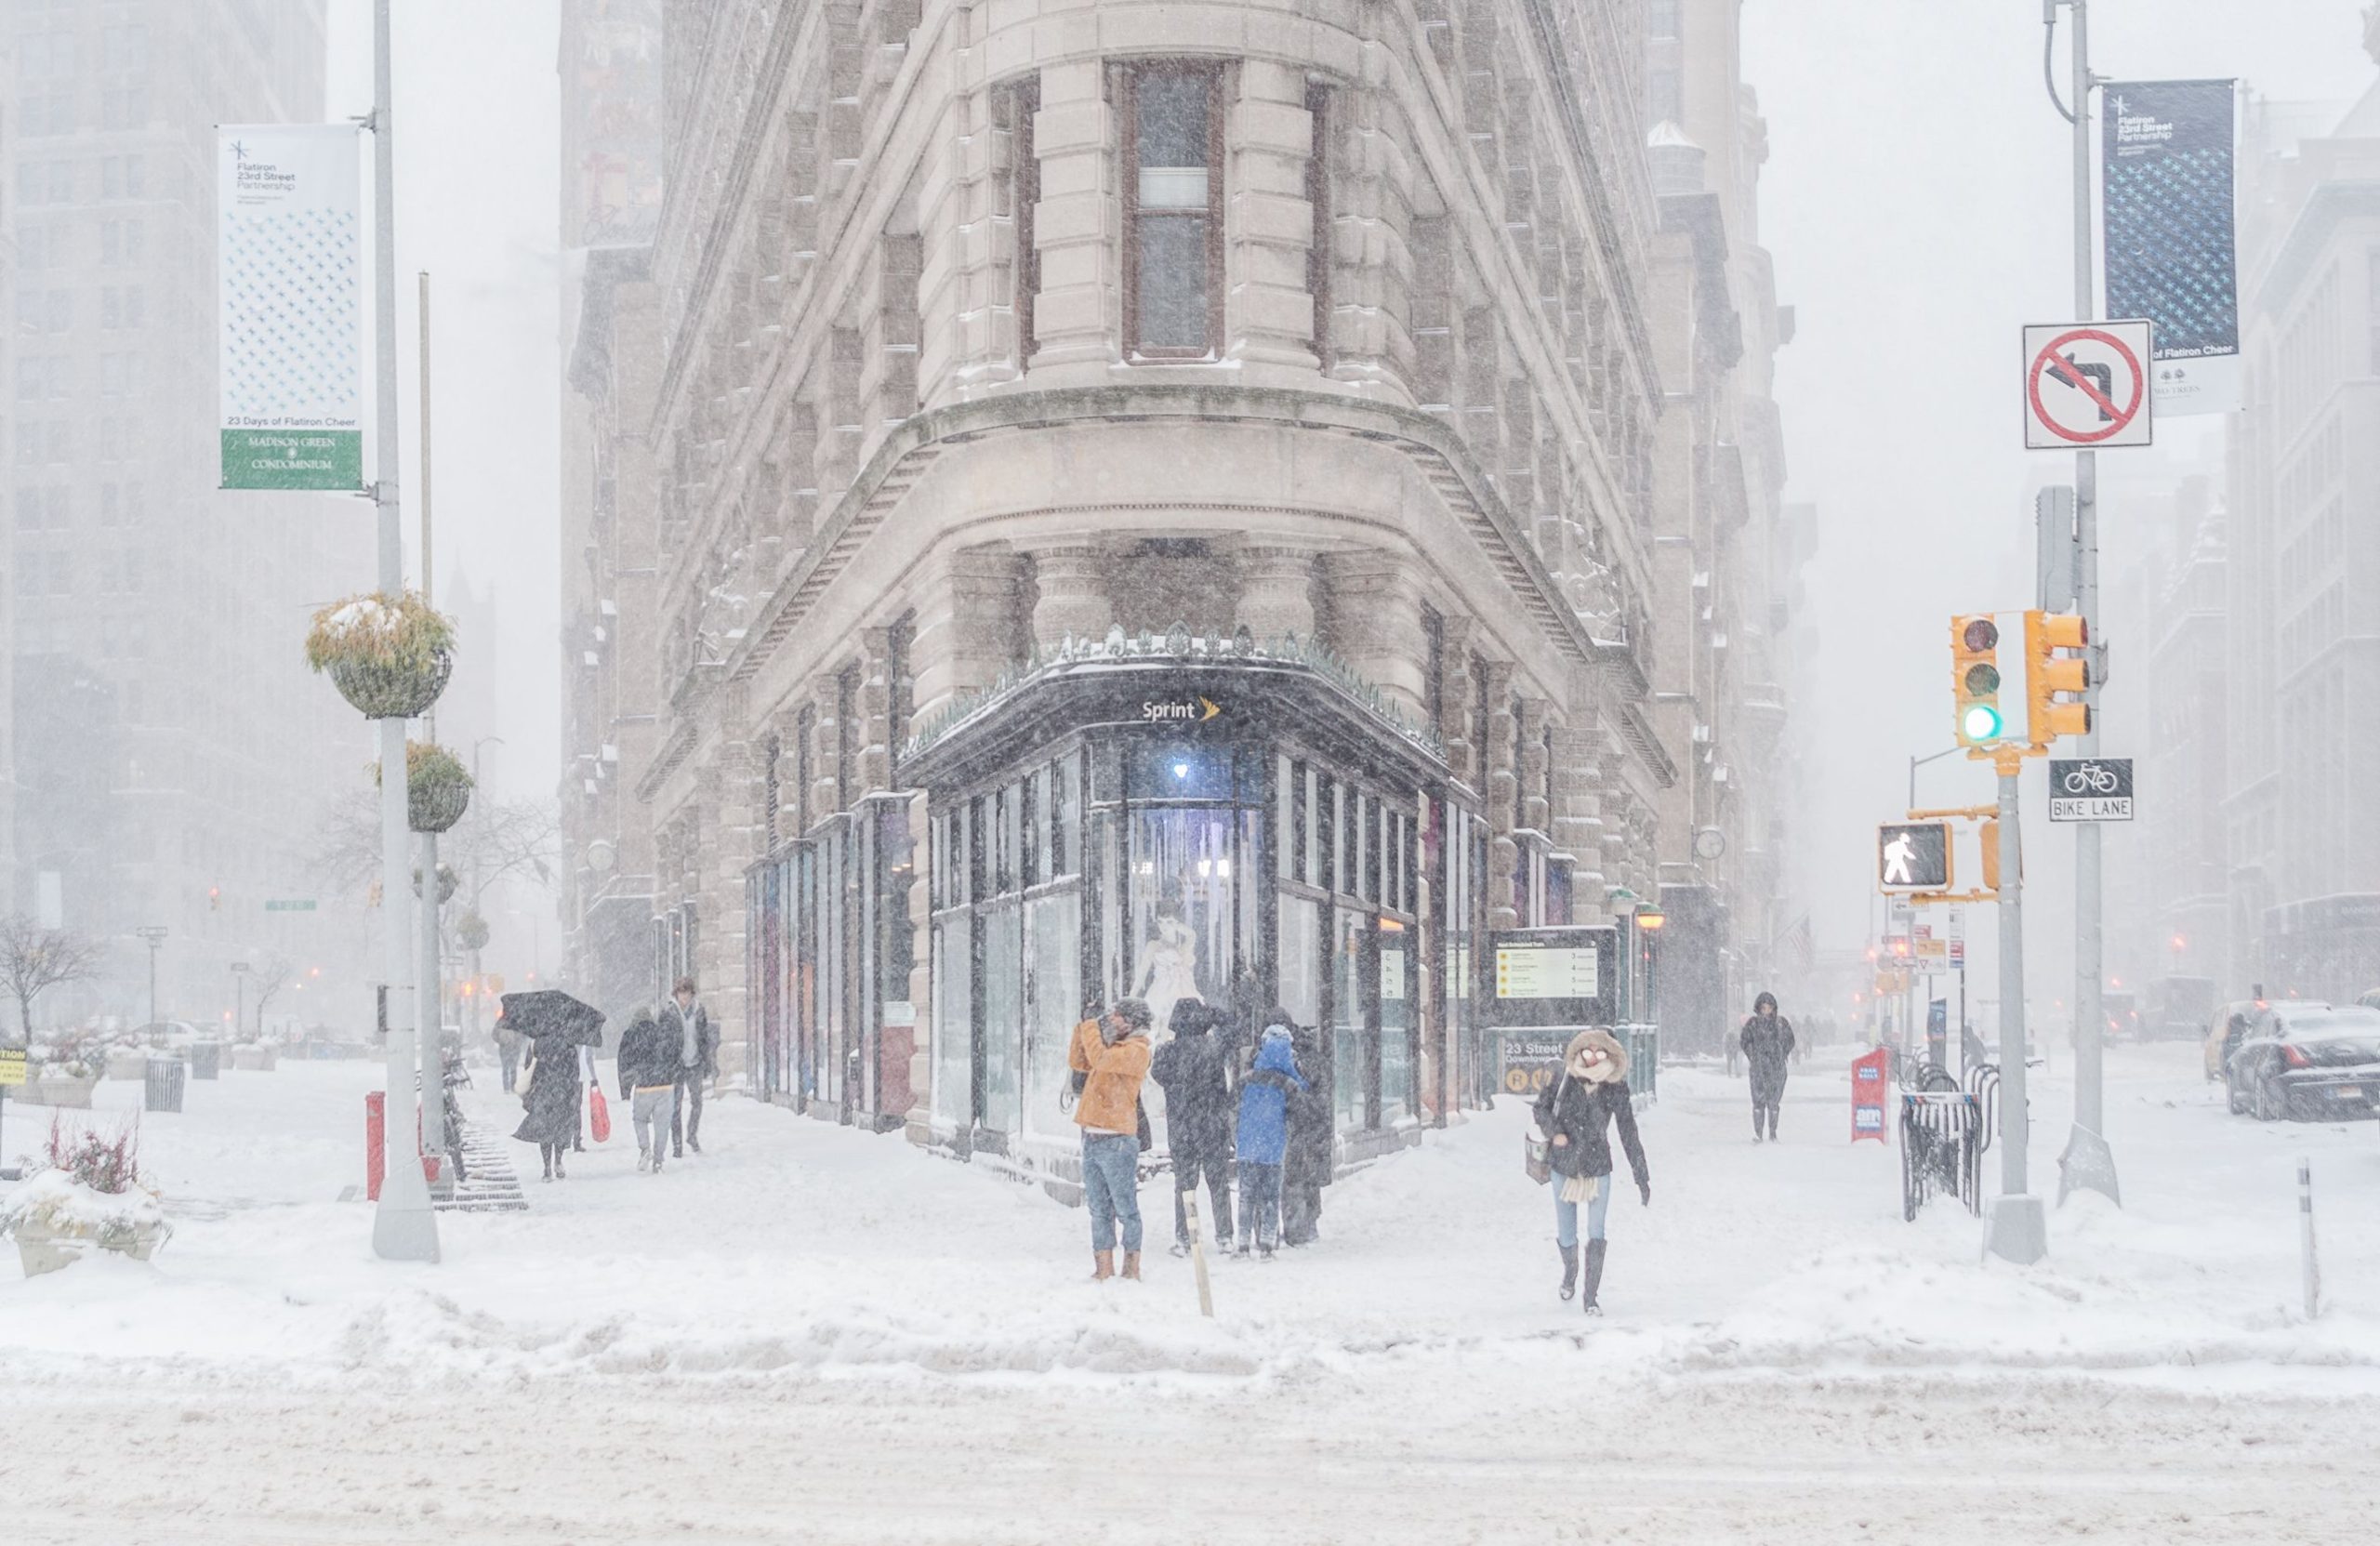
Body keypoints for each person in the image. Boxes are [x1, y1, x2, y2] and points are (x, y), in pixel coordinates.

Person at [1532, 1028, 1649, 1315]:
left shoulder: (1615, 1086)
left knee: (1596, 1231)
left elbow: (1627, 1131)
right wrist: (1555, 1132)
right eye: (1588, 1051)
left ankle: (1591, 1297)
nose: (1593, 1057)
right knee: (1567, 1233)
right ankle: (1570, 1273)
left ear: (1610, 1054)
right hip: (1564, 1164)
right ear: (1579, 1052)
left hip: (1597, 1166)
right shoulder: (1564, 1079)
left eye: (1600, 1052)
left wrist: (1641, 1174)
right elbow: (1540, 1110)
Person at [1068, 998, 1154, 1281]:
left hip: (1118, 1140)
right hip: (1093, 1136)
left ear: (1130, 1022)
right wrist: (1083, 1026)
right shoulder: (1111, 1044)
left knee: (1125, 1207)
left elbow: (1100, 1061)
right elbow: (1079, 1062)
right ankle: (1103, 1267)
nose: (1111, 1019)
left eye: (1116, 1016)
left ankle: (1132, 1267)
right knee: (1098, 1208)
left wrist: (1092, 1026)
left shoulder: (1137, 1050)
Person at [1150, 999, 1233, 1257]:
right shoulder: (1214, 1048)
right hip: (1213, 1126)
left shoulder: (1167, 1053)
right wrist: (1213, 1014)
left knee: (1185, 1185)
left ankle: (1186, 1237)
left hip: (1183, 1127)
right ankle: (1224, 1236)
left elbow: (1158, 1075)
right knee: (1218, 1183)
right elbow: (1232, 1027)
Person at [1234, 1012, 1307, 1258]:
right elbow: (1300, 1115)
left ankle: (1242, 1244)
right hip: (1275, 1147)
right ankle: (1267, 1244)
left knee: (1246, 1196)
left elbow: (1232, 1107)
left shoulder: (1247, 1079)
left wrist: (1237, 1135)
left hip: (1247, 1144)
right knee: (1270, 1197)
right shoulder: (1289, 1083)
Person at [1280, 1015, 1330, 1246]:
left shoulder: (1296, 1062)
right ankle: (1308, 1224)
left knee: (1296, 1178)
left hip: (1301, 1127)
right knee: (1307, 1177)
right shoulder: (1312, 1058)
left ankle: (1299, 1227)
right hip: (1313, 1125)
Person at [615, 1007, 677, 1174]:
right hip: (665, 1085)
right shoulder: (661, 1033)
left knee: (640, 1119)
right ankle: (658, 1160)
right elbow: (673, 1055)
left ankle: (645, 1149)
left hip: (644, 1085)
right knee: (662, 1125)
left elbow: (623, 1063)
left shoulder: (630, 1035)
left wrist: (625, 1090)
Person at [511, 1032, 581, 1182]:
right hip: (563, 1091)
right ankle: (558, 1161)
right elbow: (575, 1070)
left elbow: (528, 1067)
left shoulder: (536, 1043)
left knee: (545, 1130)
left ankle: (547, 1167)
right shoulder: (568, 1042)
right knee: (560, 1127)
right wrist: (572, 1089)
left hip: (543, 1092)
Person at [661, 976, 716, 1156]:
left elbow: (704, 1038)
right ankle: (677, 1145)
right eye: (681, 993)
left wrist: (707, 1062)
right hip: (677, 1065)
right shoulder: (669, 1012)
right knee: (675, 1107)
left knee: (697, 1103)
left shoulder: (699, 1011)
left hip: (695, 1063)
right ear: (676, 994)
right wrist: (667, 1063)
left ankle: (691, 1135)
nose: (685, 997)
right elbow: (664, 1041)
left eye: (688, 994)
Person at [1739, 991, 1796, 1142]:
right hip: (1758, 1069)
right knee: (1758, 1102)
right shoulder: (1752, 1024)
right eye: (1763, 1008)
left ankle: (1772, 1133)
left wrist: (1781, 1052)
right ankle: (1758, 1133)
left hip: (1776, 1068)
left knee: (1773, 1102)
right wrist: (1753, 1055)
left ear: (1773, 1008)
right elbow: (1744, 1041)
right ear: (1758, 1008)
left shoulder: (1781, 1023)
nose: (1766, 1011)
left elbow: (1791, 1041)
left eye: (1768, 1008)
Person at [494, 1013, 523, 1094]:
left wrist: (501, 1041)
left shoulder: (500, 1022)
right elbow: (522, 1034)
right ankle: (511, 1087)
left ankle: (507, 1087)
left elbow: (494, 1034)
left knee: (507, 1069)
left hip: (506, 1049)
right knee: (511, 1069)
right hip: (513, 1049)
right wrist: (517, 1042)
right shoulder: (516, 1021)